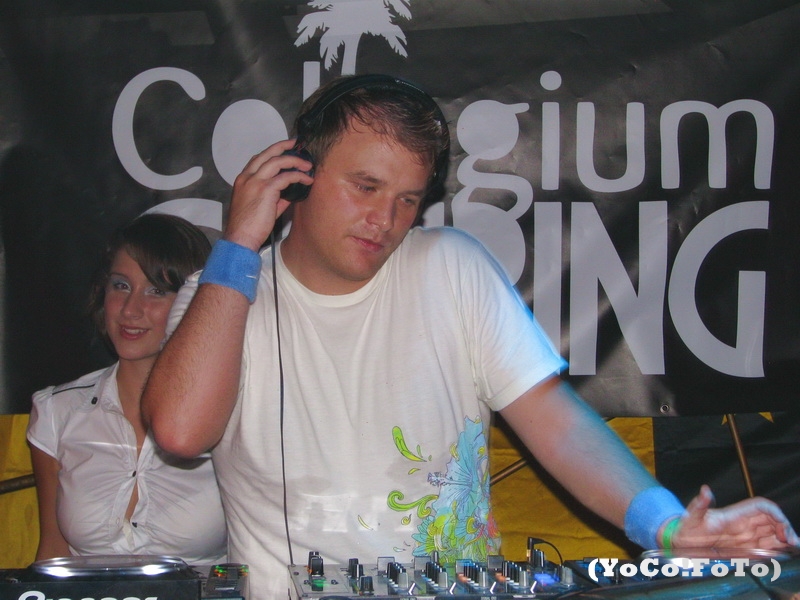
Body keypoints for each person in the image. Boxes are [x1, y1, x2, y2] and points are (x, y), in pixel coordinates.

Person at [142, 74, 798, 599]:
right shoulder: (218, 299)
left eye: (407, 199)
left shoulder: (450, 266)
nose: (384, 219)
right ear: (297, 174)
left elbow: (558, 425)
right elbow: (179, 432)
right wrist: (239, 244)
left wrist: (667, 526)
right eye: (365, 187)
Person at [27, 213, 227, 566]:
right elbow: (53, 554)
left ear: (194, 302)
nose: (131, 310)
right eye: (120, 285)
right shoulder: (57, 411)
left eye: (156, 291)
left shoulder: (232, 416)